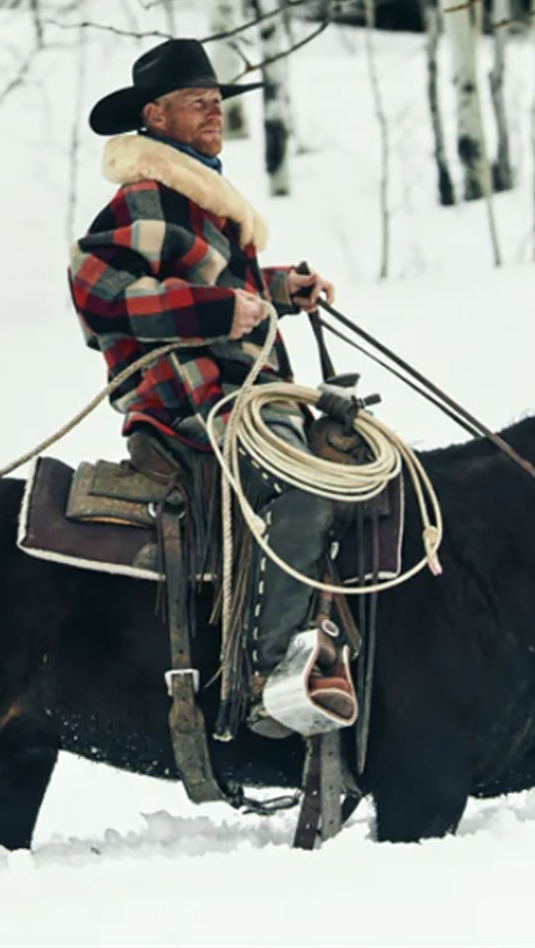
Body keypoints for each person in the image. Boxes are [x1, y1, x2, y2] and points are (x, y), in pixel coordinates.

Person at [67, 38, 356, 736]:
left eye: (216, 102)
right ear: (155, 117)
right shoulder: (144, 195)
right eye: (197, 104)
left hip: (239, 394)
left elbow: (219, 281)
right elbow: (92, 290)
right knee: (304, 484)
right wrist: (216, 311)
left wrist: (280, 289)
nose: (213, 114)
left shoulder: (199, 196)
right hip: (185, 401)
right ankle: (267, 680)